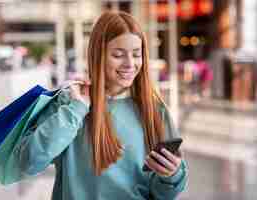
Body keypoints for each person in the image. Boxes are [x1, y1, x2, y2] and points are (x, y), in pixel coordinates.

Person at [13, 11, 187, 200]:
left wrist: (172, 176)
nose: (130, 64)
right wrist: (76, 109)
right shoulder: (69, 102)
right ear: (98, 55)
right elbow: (29, 162)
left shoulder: (154, 109)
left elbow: (164, 194)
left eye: (136, 55)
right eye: (118, 55)